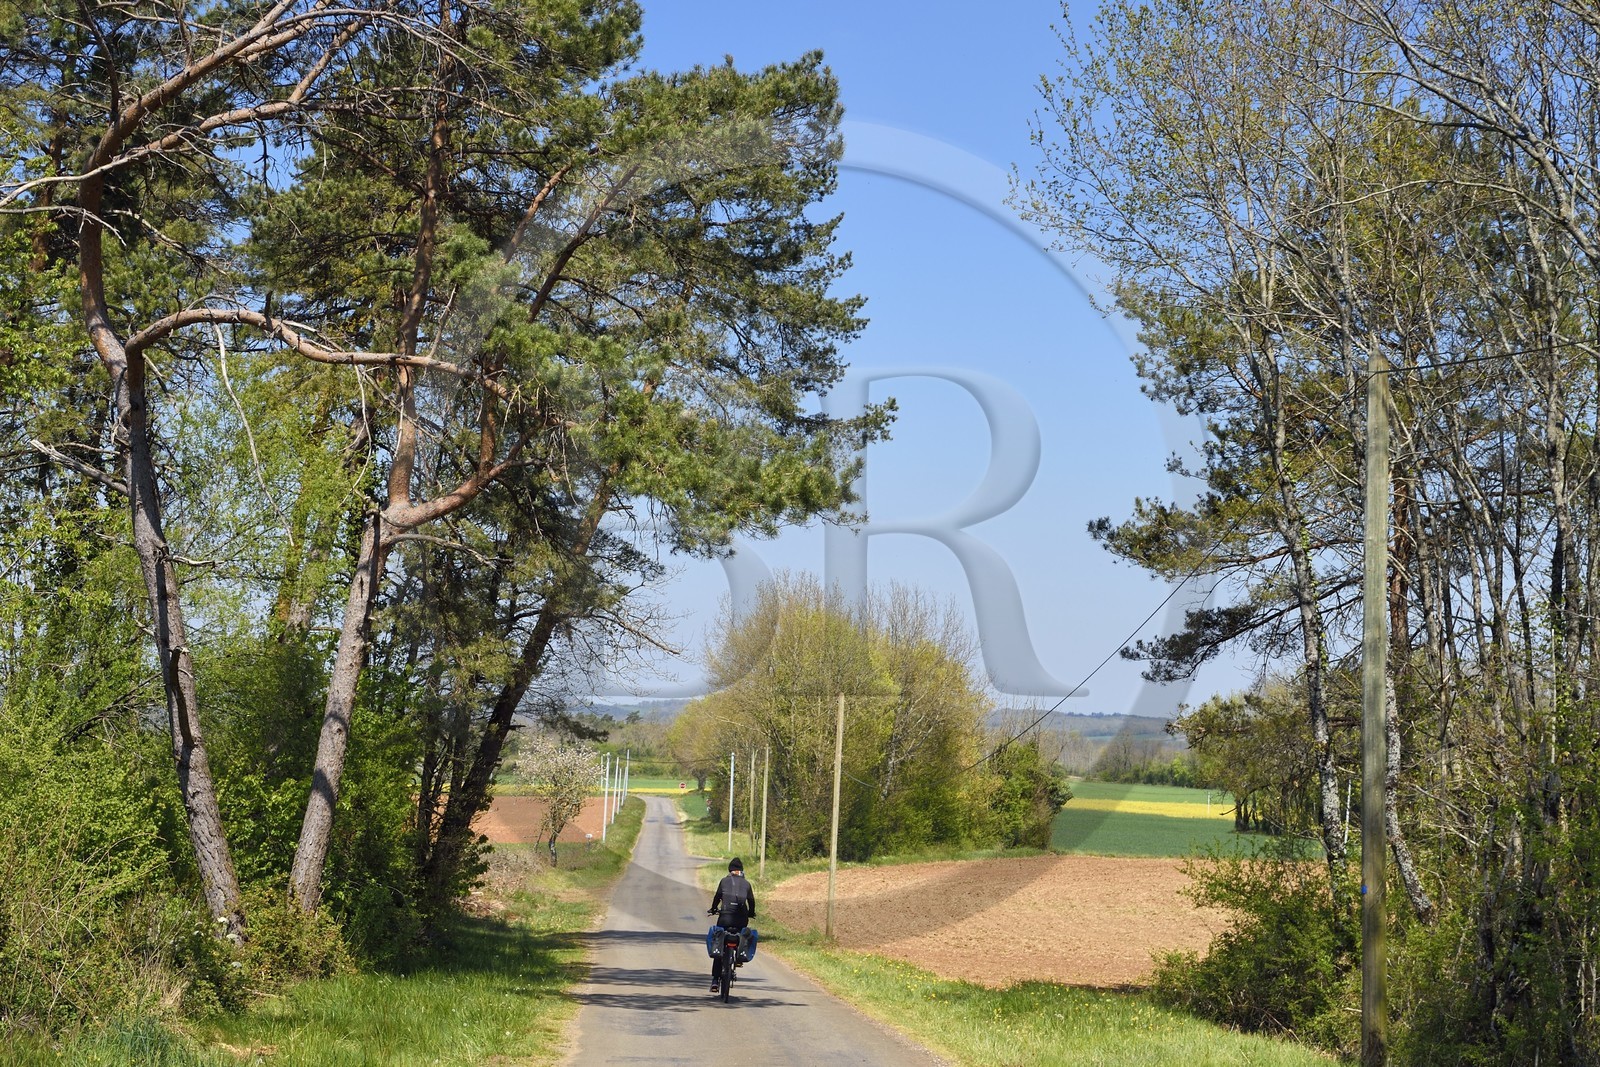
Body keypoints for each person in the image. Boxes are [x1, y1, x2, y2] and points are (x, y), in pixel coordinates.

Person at [707, 857, 757, 992]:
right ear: (741, 871)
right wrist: (751, 913)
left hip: (725, 919)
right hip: (741, 920)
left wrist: (713, 909)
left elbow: (717, 897)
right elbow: (751, 902)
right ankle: (739, 956)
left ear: (729, 870)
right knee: (741, 935)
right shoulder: (747, 884)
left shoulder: (724, 881)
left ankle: (715, 980)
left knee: (719, 943)